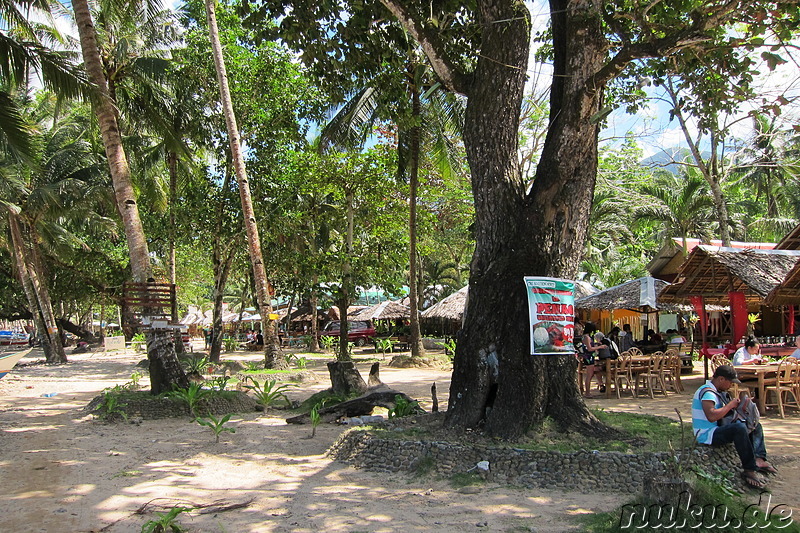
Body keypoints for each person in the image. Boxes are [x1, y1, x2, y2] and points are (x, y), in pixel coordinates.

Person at [692, 365, 777, 488]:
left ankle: (759, 459)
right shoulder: (708, 393)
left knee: (755, 425)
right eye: (730, 382)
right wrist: (730, 405)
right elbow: (711, 416)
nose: (731, 385)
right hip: (707, 434)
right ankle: (749, 469)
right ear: (721, 379)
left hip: (716, 428)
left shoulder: (717, 392)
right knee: (739, 429)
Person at [580, 328, 608, 397]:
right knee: (589, 375)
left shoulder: (586, 337)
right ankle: (587, 393)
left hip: (590, 357)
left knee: (591, 374)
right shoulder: (586, 337)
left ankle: (588, 391)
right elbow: (589, 348)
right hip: (588, 357)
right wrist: (600, 347)